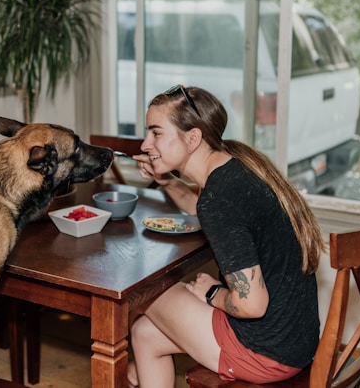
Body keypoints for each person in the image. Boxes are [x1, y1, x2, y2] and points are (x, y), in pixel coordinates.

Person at [127, 85, 324, 387]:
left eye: (156, 133)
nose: (145, 144)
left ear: (192, 139)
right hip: (296, 340)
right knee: (145, 334)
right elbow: (204, 207)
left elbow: (251, 305)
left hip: (264, 351)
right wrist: (165, 180)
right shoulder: (233, 167)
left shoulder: (219, 200)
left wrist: (212, 293)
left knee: (139, 289)